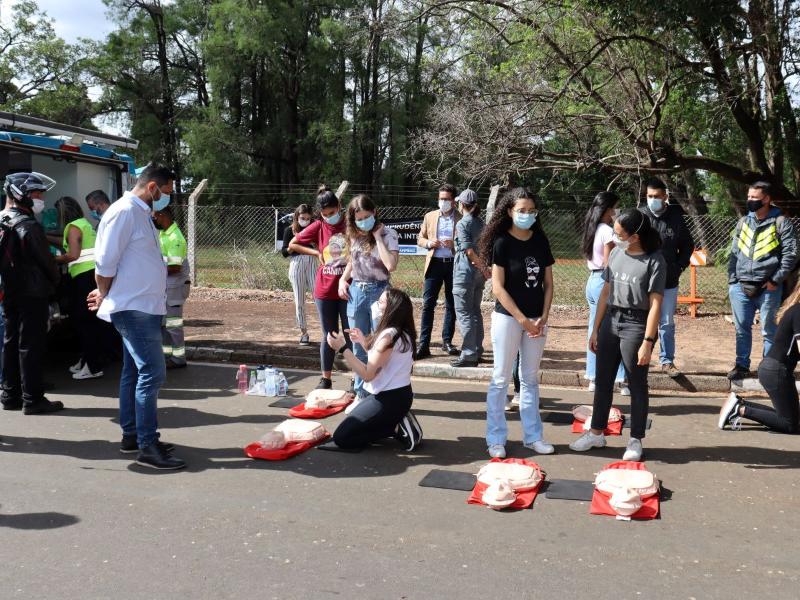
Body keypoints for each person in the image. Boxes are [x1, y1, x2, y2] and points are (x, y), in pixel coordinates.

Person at [88, 164, 185, 470]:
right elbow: (105, 262)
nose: (166, 199)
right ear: (152, 187)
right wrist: (103, 292)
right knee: (152, 373)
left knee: (134, 372)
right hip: (133, 308)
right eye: (166, 192)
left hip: (144, 306)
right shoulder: (125, 212)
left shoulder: (140, 212)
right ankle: (147, 445)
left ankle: (133, 435)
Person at [570, 209, 666, 462]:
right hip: (611, 321)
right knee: (602, 382)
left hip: (636, 324)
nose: (614, 236)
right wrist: (595, 328)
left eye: (619, 233)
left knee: (636, 384)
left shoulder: (655, 260)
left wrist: (648, 341)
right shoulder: (615, 254)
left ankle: (635, 439)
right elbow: (605, 293)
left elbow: (656, 304)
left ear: (634, 236)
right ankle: (596, 432)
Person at [478, 187, 555, 458]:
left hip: (537, 321)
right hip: (508, 319)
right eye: (521, 211)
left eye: (531, 211)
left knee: (530, 380)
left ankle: (533, 437)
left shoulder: (540, 241)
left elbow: (548, 284)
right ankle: (496, 438)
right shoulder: (502, 242)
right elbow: (498, 287)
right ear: (509, 211)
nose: (526, 215)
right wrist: (523, 320)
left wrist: (543, 316)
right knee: (500, 378)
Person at [326, 287, 422, 451]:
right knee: (354, 426)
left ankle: (394, 428)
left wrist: (343, 349)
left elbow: (368, 374)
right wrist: (363, 342)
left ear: (391, 309)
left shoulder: (388, 336)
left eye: (381, 302)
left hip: (390, 399)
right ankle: (393, 421)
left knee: (342, 438)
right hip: (398, 396)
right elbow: (382, 360)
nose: (377, 304)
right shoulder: (402, 332)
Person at [0, 172, 63, 414]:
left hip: (11, 290)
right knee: (31, 345)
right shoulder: (28, 225)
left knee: (11, 342)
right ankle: (33, 398)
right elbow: (46, 262)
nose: (40, 198)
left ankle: (10, 395)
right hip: (33, 292)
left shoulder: (3, 218)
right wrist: (55, 281)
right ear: (20, 195)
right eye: (36, 193)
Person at [727, 181, 798, 381]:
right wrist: (733, 281)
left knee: (769, 330)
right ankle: (742, 366)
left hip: (768, 287)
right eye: (748, 197)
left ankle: (768, 368)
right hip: (740, 286)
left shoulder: (781, 222)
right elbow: (734, 253)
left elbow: (791, 255)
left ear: (766, 199)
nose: (750, 201)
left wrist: (775, 280)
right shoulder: (743, 222)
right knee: (741, 329)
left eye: (754, 198)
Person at [288, 185, 352, 390]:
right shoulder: (318, 226)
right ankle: (326, 379)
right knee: (329, 334)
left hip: (349, 289)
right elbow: (292, 244)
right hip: (324, 290)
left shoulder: (351, 225)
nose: (329, 218)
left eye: (332, 213)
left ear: (339, 207)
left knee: (351, 333)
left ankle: (356, 378)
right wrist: (315, 253)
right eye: (325, 215)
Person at [339, 194, 399, 405]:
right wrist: (342, 280)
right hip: (356, 292)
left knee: (378, 346)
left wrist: (378, 236)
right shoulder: (354, 235)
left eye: (367, 216)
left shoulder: (389, 234)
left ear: (374, 213)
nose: (364, 220)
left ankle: (379, 393)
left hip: (379, 293)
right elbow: (352, 261)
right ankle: (361, 394)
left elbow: (390, 265)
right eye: (359, 218)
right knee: (358, 344)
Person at [719, 285, 800, 434]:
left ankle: (739, 404)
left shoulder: (795, 309)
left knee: (793, 418)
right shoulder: (798, 312)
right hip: (776, 371)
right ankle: (741, 410)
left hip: (774, 369)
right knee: (790, 425)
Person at [640, 178, 694, 377]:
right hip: (642, 281)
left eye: (657, 196)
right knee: (641, 321)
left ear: (665, 197)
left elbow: (688, 245)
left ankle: (667, 361)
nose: (653, 199)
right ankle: (640, 361)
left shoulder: (676, 217)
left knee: (666, 322)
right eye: (649, 196)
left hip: (668, 281)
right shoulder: (640, 216)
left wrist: (678, 266)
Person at [53, 196, 106, 380]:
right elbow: (74, 245)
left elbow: (73, 255)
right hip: (91, 276)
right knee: (89, 321)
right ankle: (87, 360)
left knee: (84, 322)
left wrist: (51, 258)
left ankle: (92, 366)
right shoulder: (85, 224)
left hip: (82, 278)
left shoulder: (73, 227)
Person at [582, 191, 627, 393]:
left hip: (592, 280)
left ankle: (593, 376)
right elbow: (610, 264)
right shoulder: (607, 231)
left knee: (595, 329)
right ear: (608, 209)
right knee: (612, 331)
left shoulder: (592, 227)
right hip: (604, 281)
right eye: (615, 207)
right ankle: (619, 378)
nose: (616, 211)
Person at [416, 184, 460, 358]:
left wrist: (454, 245)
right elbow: (420, 238)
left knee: (452, 304)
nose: (443, 202)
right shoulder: (430, 216)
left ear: (453, 202)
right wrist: (428, 243)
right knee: (428, 305)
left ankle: (447, 342)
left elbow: (468, 243)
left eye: (447, 199)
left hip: (452, 264)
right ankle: (424, 344)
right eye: (441, 199)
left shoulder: (461, 218)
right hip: (434, 263)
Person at [451, 189, 490, 367]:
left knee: (464, 313)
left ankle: (468, 354)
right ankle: (476, 350)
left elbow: (468, 251)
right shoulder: (482, 223)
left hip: (464, 273)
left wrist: (482, 267)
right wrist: (484, 269)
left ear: (462, 205)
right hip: (478, 275)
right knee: (475, 312)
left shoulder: (462, 224)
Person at [153, 207, 190, 369]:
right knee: (165, 325)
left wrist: (152, 269)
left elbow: (174, 267)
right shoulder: (164, 233)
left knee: (173, 326)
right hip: (167, 288)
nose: (154, 221)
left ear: (162, 216)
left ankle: (179, 359)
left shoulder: (175, 238)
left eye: (155, 217)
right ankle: (167, 356)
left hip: (174, 289)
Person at [281, 204, 317, 346]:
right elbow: (284, 252)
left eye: (308, 218)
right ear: (297, 217)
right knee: (299, 299)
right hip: (297, 263)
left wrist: (312, 242)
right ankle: (304, 333)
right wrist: (293, 243)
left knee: (319, 297)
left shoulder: (314, 229)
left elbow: (319, 246)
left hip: (312, 261)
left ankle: (328, 331)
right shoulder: (289, 230)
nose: (305, 221)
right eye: (302, 218)